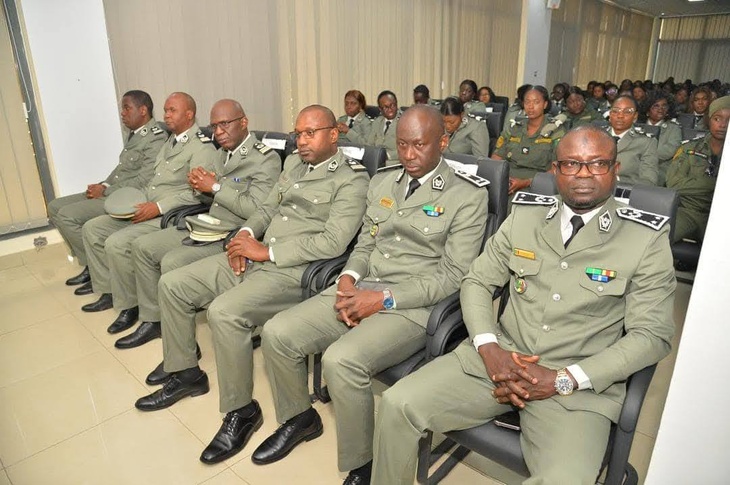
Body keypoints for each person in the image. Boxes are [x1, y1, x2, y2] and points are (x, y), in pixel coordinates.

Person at [370, 125, 676, 485]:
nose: (583, 174)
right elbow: (477, 282)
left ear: (616, 168)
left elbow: (651, 335)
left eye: (596, 164)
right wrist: (489, 348)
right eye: (571, 164)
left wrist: (563, 380)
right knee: (396, 405)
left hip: (574, 387)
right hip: (498, 360)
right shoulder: (525, 216)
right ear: (555, 169)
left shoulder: (645, 240)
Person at [253, 104, 489, 485]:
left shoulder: (468, 196)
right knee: (278, 333)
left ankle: (362, 464)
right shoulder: (383, 181)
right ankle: (299, 418)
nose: (409, 155)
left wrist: (382, 300)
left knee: (341, 360)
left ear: (442, 142)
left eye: (419, 145)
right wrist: (348, 278)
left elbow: (452, 276)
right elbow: (365, 244)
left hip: (412, 305)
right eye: (401, 145)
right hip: (361, 287)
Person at [133, 105, 370, 466]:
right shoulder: (293, 165)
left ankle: (244, 412)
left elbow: (334, 243)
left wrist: (267, 252)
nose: (302, 141)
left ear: (333, 134)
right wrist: (244, 236)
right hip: (256, 255)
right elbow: (265, 208)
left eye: (311, 133)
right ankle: (185, 373)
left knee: (223, 312)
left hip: (294, 270)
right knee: (174, 283)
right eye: (298, 134)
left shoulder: (352, 179)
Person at [107, 99, 281, 349]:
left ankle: (182, 342)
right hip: (207, 224)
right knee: (143, 247)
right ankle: (154, 320)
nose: (219, 132)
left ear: (243, 122)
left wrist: (216, 187)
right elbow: (206, 198)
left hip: (232, 233)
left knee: (171, 261)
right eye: (214, 126)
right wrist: (199, 186)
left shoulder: (265, 159)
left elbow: (258, 210)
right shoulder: (221, 154)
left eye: (225, 124)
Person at [79, 92, 217, 313]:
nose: (166, 115)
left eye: (172, 110)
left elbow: (198, 195)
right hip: (148, 204)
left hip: (171, 214)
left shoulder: (202, 148)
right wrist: (135, 202)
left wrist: (158, 208)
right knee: (93, 228)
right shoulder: (169, 142)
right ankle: (110, 291)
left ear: (189, 115)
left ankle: (134, 308)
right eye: (165, 110)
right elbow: (154, 182)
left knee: (117, 243)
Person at [47, 90, 167, 296]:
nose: (122, 113)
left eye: (127, 108)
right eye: (122, 108)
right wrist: (103, 184)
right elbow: (122, 170)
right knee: (55, 207)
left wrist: (106, 190)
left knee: (68, 215)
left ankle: (96, 271)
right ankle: (92, 265)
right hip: (114, 190)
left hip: (129, 196)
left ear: (143, 110)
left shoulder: (155, 138)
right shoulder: (136, 134)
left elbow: (143, 180)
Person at [666, 96, 729, 243]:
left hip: (723, 217)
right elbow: (674, 183)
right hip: (688, 211)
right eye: (717, 119)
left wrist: (694, 187)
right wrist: (714, 185)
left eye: (729, 120)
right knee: (660, 238)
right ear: (709, 120)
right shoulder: (690, 148)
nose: (723, 125)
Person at [492, 85, 567, 194]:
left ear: (545, 104)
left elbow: (557, 168)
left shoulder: (556, 131)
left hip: (538, 187)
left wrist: (527, 182)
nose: (531, 106)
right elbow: (496, 157)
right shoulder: (514, 128)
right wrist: (499, 179)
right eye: (527, 102)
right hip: (507, 183)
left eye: (536, 102)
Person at [606, 95, 659, 186]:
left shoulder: (646, 143)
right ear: (610, 114)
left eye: (627, 112)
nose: (620, 116)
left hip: (623, 193)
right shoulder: (596, 137)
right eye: (615, 111)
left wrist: (616, 179)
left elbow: (649, 182)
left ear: (635, 116)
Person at [343, 90, 400, 163]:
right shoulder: (377, 122)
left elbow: (408, 149)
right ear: (380, 109)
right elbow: (369, 145)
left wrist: (387, 155)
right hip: (375, 162)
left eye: (392, 105)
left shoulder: (405, 122)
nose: (390, 109)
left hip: (395, 163)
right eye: (385, 107)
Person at [643, 91, 682, 185]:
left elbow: (670, 150)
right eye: (656, 106)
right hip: (635, 167)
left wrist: (642, 156)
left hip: (660, 169)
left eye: (664, 106)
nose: (660, 109)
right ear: (648, 110)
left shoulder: (674, 128)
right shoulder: (637, 127)